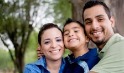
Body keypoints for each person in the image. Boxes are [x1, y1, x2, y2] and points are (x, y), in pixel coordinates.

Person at [82, 1, 124, 73]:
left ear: (112, 22)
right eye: (88, 22)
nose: (94, 26)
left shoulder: (121, 46)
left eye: (100, 19)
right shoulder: (98, 54)